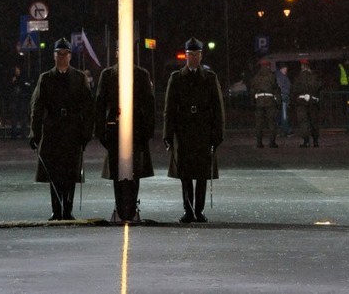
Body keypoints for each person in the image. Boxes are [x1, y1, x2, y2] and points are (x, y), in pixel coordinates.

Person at [29, 38, 93, 220]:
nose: (62, 57)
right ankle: (56, 209)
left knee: (71, 172)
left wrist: (86, 133)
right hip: (53, 130)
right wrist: (35, 133)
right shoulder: (46, 78)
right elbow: (37, 107)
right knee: (54, 172)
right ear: (54, 56)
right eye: (58, 54)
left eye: (65, 54)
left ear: (70, 56)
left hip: (73, 130)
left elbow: (88, 107)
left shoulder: (79, 78)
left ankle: (68, 209)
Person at [163, 37, 224, 224]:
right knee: (186, 174)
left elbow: (217, 108)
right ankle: (188, 210)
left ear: (201, 55)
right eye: (190, 55)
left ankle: (199, 210)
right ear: (186, 56)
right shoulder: (177, 78)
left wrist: (217, 134)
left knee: (202, 174)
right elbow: (170, 109)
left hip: (203, 130)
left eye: (196, 55)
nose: (194, 58)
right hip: (184, 131)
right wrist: (168, 134)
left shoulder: (209, 78)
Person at [94, 51, 155, 219]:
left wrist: (148, 131)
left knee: (134, 169)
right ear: (116, 53)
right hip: (114, 130)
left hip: (136, 129)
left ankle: (131, 206)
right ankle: (120, 206)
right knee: (117, 171)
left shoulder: (141, 75)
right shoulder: (108, 75)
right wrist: (101, 131)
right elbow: (100, 104)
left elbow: (149, 104)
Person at [249, 58, 280, 148]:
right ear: (268, 66)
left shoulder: (256, 77)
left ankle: (259, 142)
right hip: (269, 101)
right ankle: (272, 142)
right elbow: (275, 88)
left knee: (259, 123)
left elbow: (252, 89)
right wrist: (278, 101)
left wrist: (253, 101)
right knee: (271, 122)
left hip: (259, 101)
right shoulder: (271, 76)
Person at [293, 59, 321, 147]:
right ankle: (315, 141)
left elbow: (294, 90)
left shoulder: (298, 77)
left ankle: (306, 141)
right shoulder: (314, 77)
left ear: (302, 67)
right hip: (312, 101)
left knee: (303, 121)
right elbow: (318, 88)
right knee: (314, 121)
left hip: (301, 102)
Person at [275, 64, 292, 135]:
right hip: (283, 96)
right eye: (284, 69)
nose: (286, 70)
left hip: (282, 96)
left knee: (281, 114)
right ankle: (286, 130)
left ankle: (280, 130)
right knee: (284, 114)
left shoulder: (280, 76)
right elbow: (282, 87)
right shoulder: (281, 77)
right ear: (281, 69)